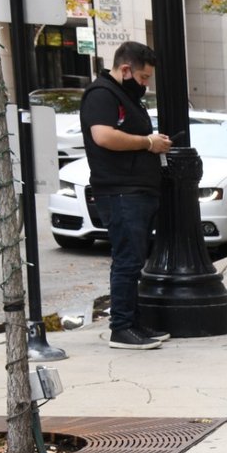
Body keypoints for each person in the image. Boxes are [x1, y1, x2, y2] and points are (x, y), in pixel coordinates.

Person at [82, 41, 172, 350]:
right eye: (144, 77)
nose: (145, 84)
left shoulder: (124, 95)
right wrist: (148, 143)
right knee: (127, 261)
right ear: (125, 69)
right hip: (120, 191)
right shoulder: (101, 95)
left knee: (134, 260)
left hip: (135, 190)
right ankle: (121, 328)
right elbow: (103, 136)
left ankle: (133, 323)